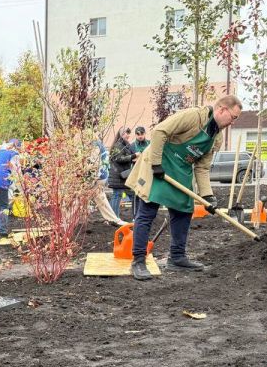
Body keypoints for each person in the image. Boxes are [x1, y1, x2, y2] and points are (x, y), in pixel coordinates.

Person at [126, 95, 243, 281]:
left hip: (181, 171)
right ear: (222, 110)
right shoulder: (194, 116)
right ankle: (138, 261)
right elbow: (160, 131)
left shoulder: (216, 138)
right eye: (233, 117)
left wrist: (208, 197)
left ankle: (177, 257)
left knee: (184, 211)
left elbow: (202, 167)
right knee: (147, 211)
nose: (233, 122)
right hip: (159, 164)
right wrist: (156, 164)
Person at [93, 138, 126, 228]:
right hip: (102, 176)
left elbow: (94, 163)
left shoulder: (94, 143)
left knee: (74, 199)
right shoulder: (98, 142)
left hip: (97, 177)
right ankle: (113, 219)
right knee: (102, 198)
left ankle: (114, 219)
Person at [108, 129, 137, 220]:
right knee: (117, 195)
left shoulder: (125, 145)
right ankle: (114, 218)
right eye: (125, 133)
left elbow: (125, 158)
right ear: (120, 134)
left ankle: (114, 217)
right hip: (118, 175)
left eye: (128, 133)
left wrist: (132, 158)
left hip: (122, 176)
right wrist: (133, 156)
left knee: (121, 195)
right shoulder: (118, 145)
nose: (127, 135)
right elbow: (119, 159)